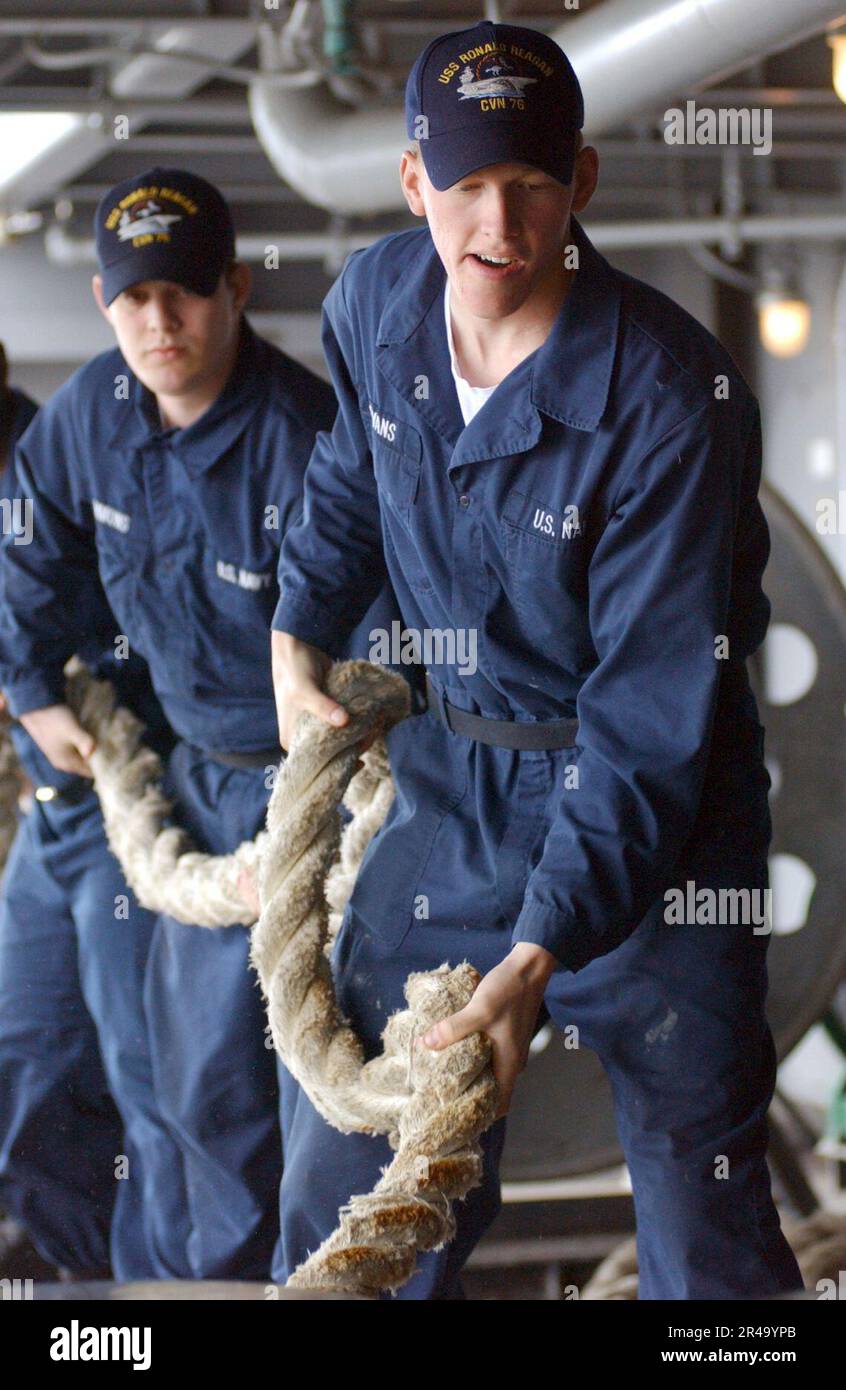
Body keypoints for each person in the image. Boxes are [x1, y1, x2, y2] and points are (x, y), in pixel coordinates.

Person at [269, 21, 805, 1300]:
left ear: (583, 181)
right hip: (456, 789)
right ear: (412, 185)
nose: (497, 222)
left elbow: (647, 718)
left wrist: (537, 955)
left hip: (657, 816)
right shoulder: (374, 305)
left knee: (700, 1200)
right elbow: (350, 479)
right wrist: (298, 633)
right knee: (353, 1169)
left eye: (532, 182)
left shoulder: (671, 398)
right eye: (463, 188)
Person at [0, 167, 395, 1279]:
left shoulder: (307, 438)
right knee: (189, 1088)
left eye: (181, 293)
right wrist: (30, 683)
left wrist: (339, 794)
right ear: (100, 301)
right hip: (182, 778)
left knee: (317, 1096)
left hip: (309, 790)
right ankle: (178, 1299)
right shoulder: (90, 416)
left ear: (234, 289)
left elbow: (383, 642)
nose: (158, 323)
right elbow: (32, 547)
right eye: (133, 300)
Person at [0, 344, 189, 1280]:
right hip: (45, 821)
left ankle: (145, 1306)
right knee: (25, 1066)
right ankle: (82, 1285)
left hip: (126, 815)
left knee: (150, 1087)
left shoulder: (53, 464)